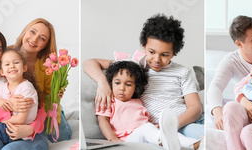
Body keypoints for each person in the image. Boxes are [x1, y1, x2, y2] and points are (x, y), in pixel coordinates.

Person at [84, 13, 203, 141]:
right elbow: (88, 63)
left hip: (182, 124)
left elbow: (195, 108)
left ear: (174, 53)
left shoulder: (183, 72)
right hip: (151, 130)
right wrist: (103, 83)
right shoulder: (132, 67)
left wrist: (171, 125)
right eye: (151, 52)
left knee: (201, 134)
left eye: (164, 54)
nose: (156, 59)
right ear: (144, 46)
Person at [95, 61, 200, 149]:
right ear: (111, 83)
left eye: (128, 84)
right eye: (117, 83)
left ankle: (194, 144)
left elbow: (143, 120)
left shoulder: (138, 101)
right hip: (126, 140)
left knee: (167, 131)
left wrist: (154, 128)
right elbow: (102, 120)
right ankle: (164, 138)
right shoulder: (110, 101)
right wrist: (111, 137)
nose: (122, 88)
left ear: (136, 87)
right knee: (148, 129)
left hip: (146, 136)